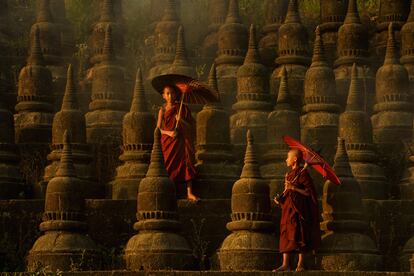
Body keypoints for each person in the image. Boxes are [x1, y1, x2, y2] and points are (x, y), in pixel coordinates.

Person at [273, 149, 320, 272]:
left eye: (288, 157)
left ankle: (300, 264)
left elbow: (308, 192)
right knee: (285, 234)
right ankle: (285, 264)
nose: (286, 160)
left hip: (299, 209)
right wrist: (280, 199)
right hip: (288, 208)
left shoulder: (303, 173)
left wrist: (293, 187)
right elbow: (287, 192)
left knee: (300, 233)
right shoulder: (289, 175)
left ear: (294, 159)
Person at [157, 85, 199, 201]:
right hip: (168, 141)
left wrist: (181, 120)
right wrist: (169, 133)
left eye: (172, 93)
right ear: (163, 96)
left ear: (176, 95)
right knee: (168, 165)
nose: (170, 96)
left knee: (187, 162)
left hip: (181, 141)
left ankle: (189, 193)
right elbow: (158, 129)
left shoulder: (182, 108)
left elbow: (191, 126)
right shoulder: (162, 110)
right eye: (168, 93)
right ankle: (171, 191)